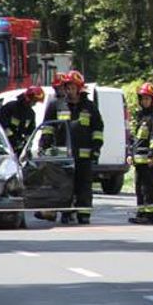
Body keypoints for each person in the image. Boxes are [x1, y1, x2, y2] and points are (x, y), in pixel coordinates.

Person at [39, 70, 103, 224]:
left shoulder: (89, 107)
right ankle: (66, 213)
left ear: (79, 88)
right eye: (67, 87)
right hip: (62, 154)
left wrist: (96, 150)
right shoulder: (56, 105)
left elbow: (98, 130)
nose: (69, 91)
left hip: (84, 155)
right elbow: (48, 128)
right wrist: (44, 145)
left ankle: (84, 214)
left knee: (84, 185)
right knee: (64, 184)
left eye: (72, 87)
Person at [128, 82, 153, 224]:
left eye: (147, 99)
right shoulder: (141, 117)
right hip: (139, 161)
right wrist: (130, 154)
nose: (145, 101)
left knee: (150, 188)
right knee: (140, 188)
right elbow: (136, 139)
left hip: (150, 162)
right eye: (143, 99)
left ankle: (152, 216)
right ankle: (142, 213)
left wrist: (152, 155)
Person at [0, 85, 45, 155]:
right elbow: (2, 126)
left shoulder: (31, 114)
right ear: (28, 99)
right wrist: (14, 140)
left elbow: (30, 132)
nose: (34, 104)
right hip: (5, 147)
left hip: (20, 149)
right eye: (34, 101)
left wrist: (27, 144)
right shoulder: (10, 108)